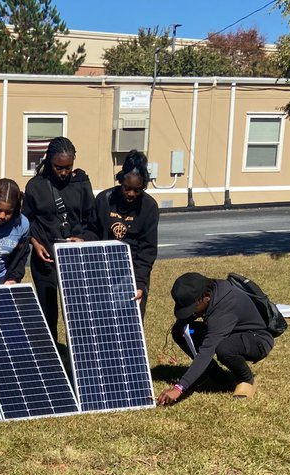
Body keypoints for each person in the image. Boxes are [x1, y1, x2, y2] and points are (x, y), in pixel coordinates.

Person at [158, 272, 276, 405]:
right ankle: (219, 378)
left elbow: (207, 351)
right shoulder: (212, 290)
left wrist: (179, 388)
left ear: (206, 297)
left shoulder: (224, 309)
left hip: (257, 340)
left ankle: (245, 379)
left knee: (224, 348)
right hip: (231, 333)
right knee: (181, 331)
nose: (191, 313)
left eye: (192, 308)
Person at [22, 136, 98, 333]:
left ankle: (80, 357)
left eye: (68, 167)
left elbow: (92, 221)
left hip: (75, 258)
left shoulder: (81, 183)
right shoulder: (35, 186)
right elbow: (25, 221)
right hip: (45, 258)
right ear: (49, 162)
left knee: (78, 314)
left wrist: (83, 240)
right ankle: (52, 357)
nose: (64, 172)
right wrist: (34, 242)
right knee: (48, 314)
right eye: (58, 167)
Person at [96, 149, 160, 318]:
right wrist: (81, 240)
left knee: (129, 324)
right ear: (120, 180)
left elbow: (147, 250)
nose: (131, 194)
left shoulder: (149, 207)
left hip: (131, 271)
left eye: (137, 190)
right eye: (127, 188)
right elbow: (92, 231)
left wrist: (139, 283)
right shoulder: (104, 200)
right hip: (104, 270)